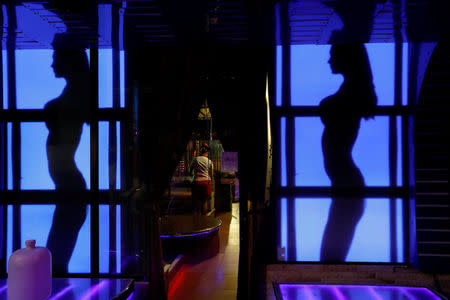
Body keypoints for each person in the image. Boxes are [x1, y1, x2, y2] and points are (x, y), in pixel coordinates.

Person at [319, 43, 377, 262]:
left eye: (333, 55)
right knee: (332, 256)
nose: (329, 60)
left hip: (347, 186)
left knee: (330, 256)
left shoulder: (352, 91)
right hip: (346, 186)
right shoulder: (353, 90)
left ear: (347, 58)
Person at [45, 33, 90, 274]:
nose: (52, 63)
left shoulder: (76, 92)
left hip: (69, 185)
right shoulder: (75, 91)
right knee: (56, 258)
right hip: (68, 185)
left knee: (56, 260)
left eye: (55, 57)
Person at [190, 144, 214, 215]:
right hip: (206, 183)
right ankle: (204, 219)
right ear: (206, 153)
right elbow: (211, 174)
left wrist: (193, 176)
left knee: (196, 201)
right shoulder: (209, 161)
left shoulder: (195, 159)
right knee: (204, 201)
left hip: (196, 182)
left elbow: (190, 171)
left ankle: (196, 219)